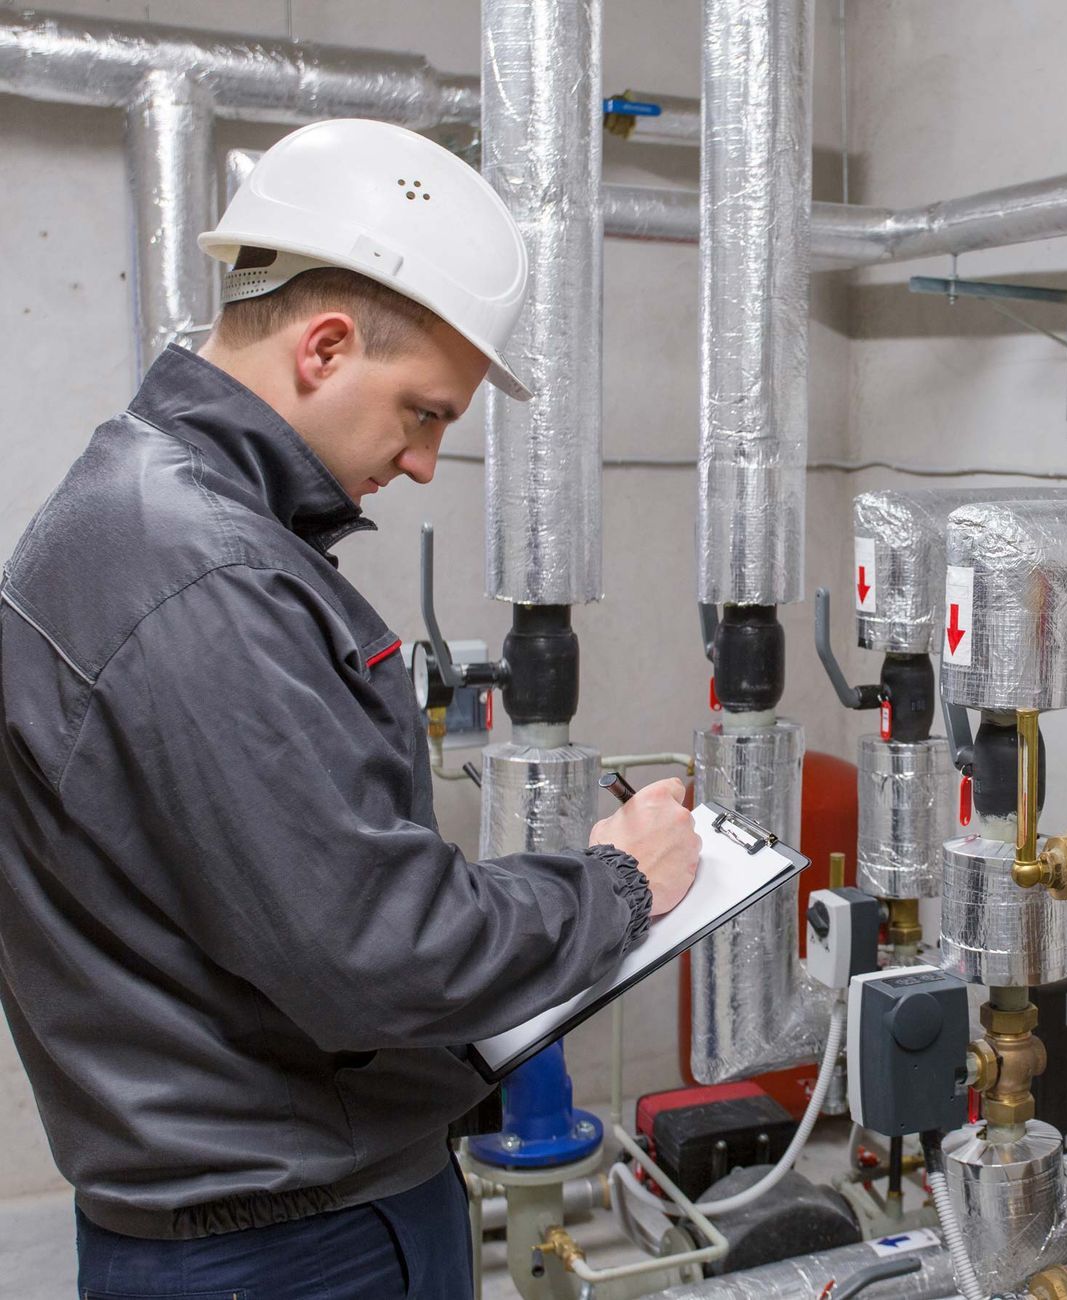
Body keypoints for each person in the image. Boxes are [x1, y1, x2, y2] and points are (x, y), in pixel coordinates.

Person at [0, 119, 698, 1298]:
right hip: (287, 1241)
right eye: (424, 412)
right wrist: (621, 884)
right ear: (325, 346)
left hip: (245, 1210)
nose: (424, 461)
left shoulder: (141, 511)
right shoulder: (205, 572)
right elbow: (383, 950)